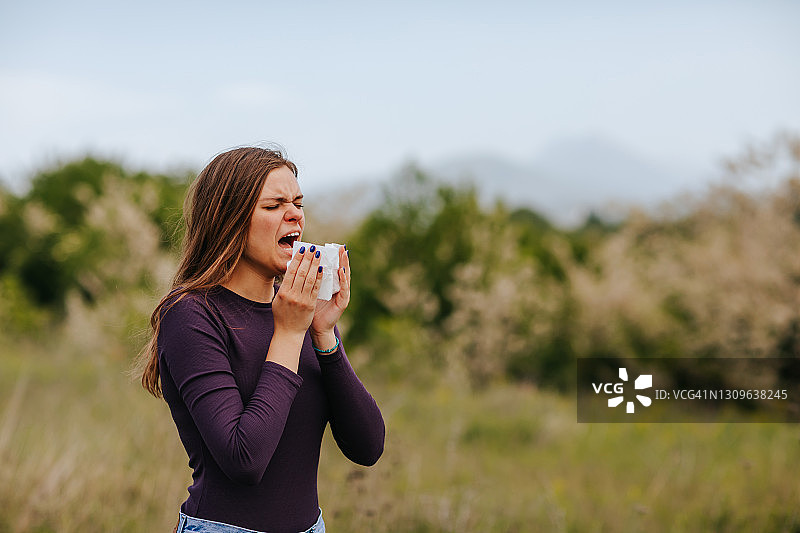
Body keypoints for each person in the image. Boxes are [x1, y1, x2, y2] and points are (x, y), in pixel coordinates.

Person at [136, 146, 385, 533]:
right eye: (274, 205)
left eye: (298, 202)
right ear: (229, 220)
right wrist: (288, 332)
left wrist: (323, 335)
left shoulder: (299, 312)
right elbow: (244, 459)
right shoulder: (190, 314)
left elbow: (368, 447)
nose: (295, 214)